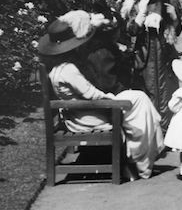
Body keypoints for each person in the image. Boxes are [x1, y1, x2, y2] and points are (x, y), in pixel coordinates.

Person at [38, 11, 164, 179]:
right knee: (139, 104)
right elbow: (92, 95)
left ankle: (139, 160)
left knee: (139, 99)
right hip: (88, 116)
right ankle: (140, 162)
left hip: (80, 113)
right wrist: (112, 100)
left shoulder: (59, 68)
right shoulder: (68, 70)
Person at [123, 0, 182, 131]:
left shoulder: (169, 1)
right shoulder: (134, 3)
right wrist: (141, 14)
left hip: (164, 53)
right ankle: (150, 129)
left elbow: (177, 31)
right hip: (143, 53)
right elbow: (130, 31)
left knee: (167, 90)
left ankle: (166, 128)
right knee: (146, 88)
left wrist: (174, 18)